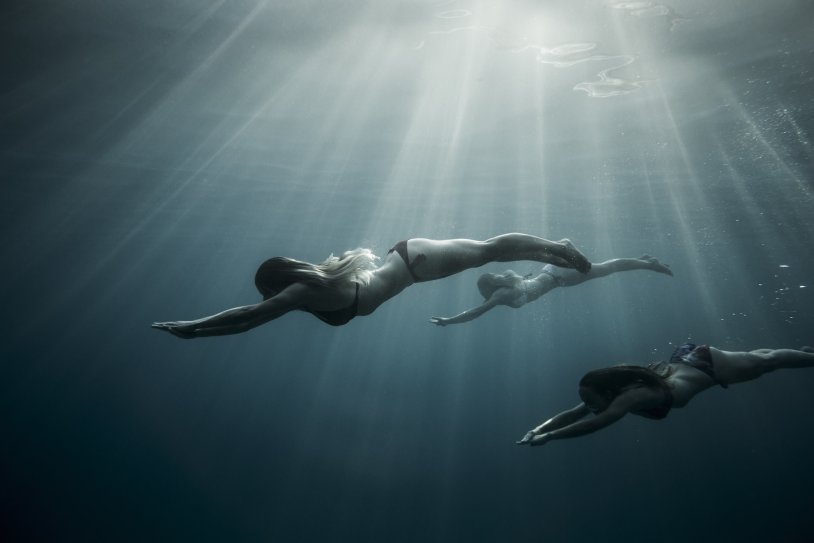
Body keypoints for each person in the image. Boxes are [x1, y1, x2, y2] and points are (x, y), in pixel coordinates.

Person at [151, 234, 591, 338]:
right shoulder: (303, 296)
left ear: (277, 285)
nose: (267, 301)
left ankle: (558, 247)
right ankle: (554, 253)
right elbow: (249, 323)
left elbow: (247, 315)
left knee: (491, 250)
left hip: (414, 260)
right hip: (410, 263)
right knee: (489, 252)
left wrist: (192, 326)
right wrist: (197, 333)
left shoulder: (300, 294)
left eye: (267, 291)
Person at [516, 343, 814, 447]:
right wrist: (538, 429)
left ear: (608, 393)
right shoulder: (610, 393)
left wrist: (552, 437)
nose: (590, 406)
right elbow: (574, 413)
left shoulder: (630, 398)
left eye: (593, 400)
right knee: (757, 361)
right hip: (685, 361)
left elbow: (599, 422)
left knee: (766, 363)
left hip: (706, 365)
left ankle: (808, 357)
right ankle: (803, 355)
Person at [430, 255, 672, 326]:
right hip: (552, 272)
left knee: (608, 269)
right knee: (607, 268)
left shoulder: (500, 295)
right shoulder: (508, 285)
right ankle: (644, 261)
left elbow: (476, 312)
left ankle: (649, 264)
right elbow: (527, 284)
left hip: (560, 277)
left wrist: (449, 321)